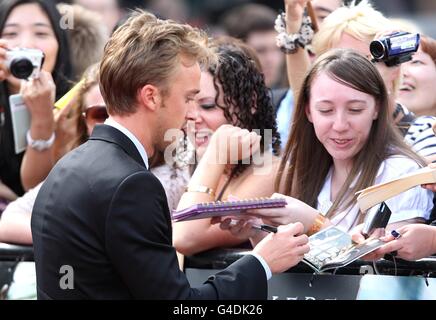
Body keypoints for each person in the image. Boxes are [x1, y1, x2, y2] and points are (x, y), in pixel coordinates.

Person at [31, 10, 309, 300]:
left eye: (205, 103)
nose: (192, 114)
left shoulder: (67, 167)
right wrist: (261, 262)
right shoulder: (132, 184)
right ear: (151, 96)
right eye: (189, 98)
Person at [219, 49, 433, 243]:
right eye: (326, 110)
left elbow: (384, 266)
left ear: (377, 108)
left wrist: (315, 224)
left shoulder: (401, 173)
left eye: (355, 110)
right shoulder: (301, 167)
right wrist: (257, 230)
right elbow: (286, 268)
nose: (340, 125)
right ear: (308, 112)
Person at [280, 0, 436, 160]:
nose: (344, 75)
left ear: (393, 67)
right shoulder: (325, 130)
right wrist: (293, 23)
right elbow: (302, 89)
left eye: (359, 62)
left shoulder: (422, 132)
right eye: (333, 62)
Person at [173, 38, 282, 256]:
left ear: (250, 103)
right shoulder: (191, 164)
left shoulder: (273, 172)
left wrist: (214, 155)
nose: (192, 117)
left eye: (207, 105)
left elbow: (185, 237)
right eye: (187, 103)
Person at [0, 64, 106, 245]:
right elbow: (9, 221)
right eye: (99, 114)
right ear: (84, 124)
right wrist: (79, 238)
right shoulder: (78, 171)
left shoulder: (169, 170)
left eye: (122, 111)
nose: (111, 122)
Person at [0, 0, 73, 197]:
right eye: (10, 34)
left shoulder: (81, 108)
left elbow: (40, 191)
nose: (25, 45)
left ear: (60, 44)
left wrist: (42, 118)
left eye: (41, 33)